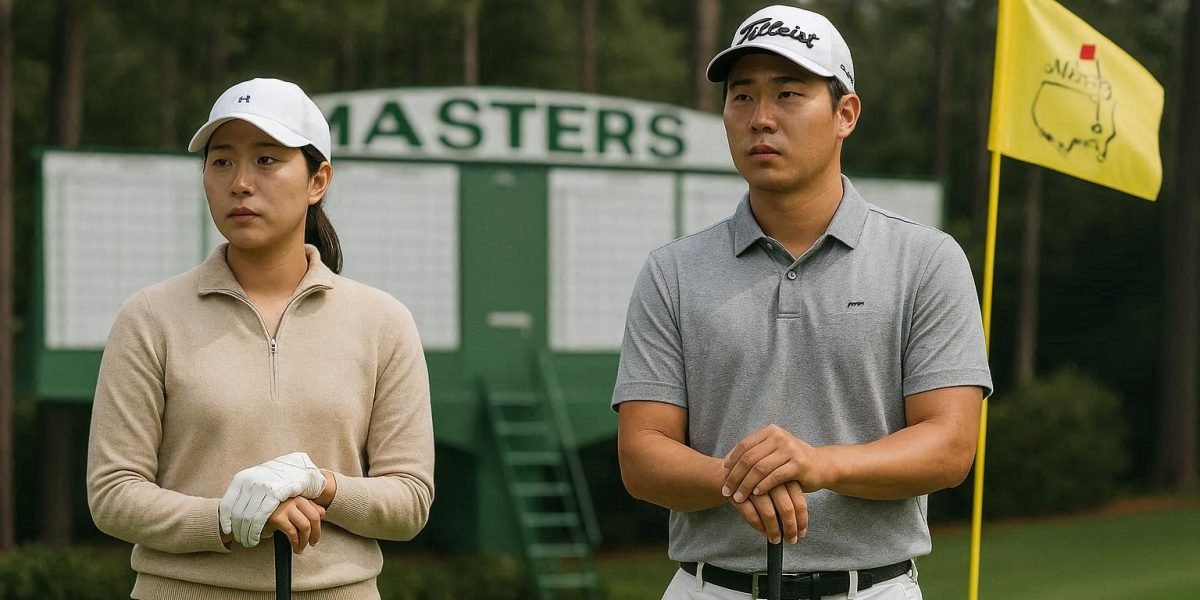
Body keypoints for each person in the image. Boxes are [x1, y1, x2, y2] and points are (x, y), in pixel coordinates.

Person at [613, 6, 992, 599]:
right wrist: (741, 478)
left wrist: (820, 465)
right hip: (709, 589)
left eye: (788, 94)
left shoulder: (927, 259)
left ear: (846, 113)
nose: (760, 118)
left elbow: (949, 446)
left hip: (874, 589)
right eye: (742, 98)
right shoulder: (673, 271)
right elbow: (641, 455)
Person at [86, 77, 435, 599]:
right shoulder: (150, 317)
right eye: (221, 161)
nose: (240, 183)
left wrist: (320, 484)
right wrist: (231, 518)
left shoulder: (382, 321)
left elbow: (409, 502)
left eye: (267, 160)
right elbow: (114, 494)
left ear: (318, 181)